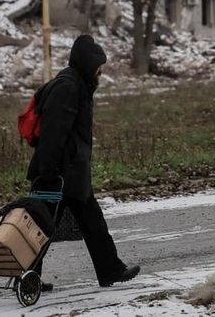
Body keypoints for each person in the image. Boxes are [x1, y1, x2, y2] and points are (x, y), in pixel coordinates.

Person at [27, 35, 140, 289]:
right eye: (98, 66)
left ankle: (110, 270)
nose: (101, 71)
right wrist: (48, 171)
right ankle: (28, 278)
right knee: (41, 228)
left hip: (70, 174)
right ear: (88, 63)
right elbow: (53, 133)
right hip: (58, 174)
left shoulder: (78, 84)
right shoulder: (68, 87)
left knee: (88, 223)